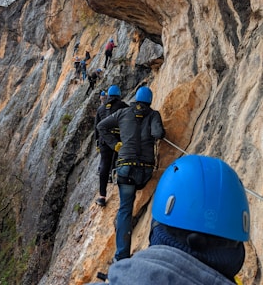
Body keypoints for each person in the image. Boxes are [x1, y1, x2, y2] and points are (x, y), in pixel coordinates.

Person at [87, 155, 250, 285]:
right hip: (138, 167)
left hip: (124, 170)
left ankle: (120, 252)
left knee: (124, 209)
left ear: (156, 228)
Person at [97, 86, 165, 261]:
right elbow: (158, 133)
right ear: (150, 100)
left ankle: (121, 256)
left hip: (125, 169)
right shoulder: (153, 114)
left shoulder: (123, 113)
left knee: (125, 210)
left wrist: (114, 144)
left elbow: (101, 126)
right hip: (144, 171)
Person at [94, 85, 128, 207]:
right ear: (118, 95)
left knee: (104, 163)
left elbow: (96, 127)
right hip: (118, 140)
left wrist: (97, 142)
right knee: (119, 161)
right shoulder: (123, 106)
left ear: (108, 95)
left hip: (104, 141)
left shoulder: (101, 108)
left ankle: (102, 196)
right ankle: (119, 189)